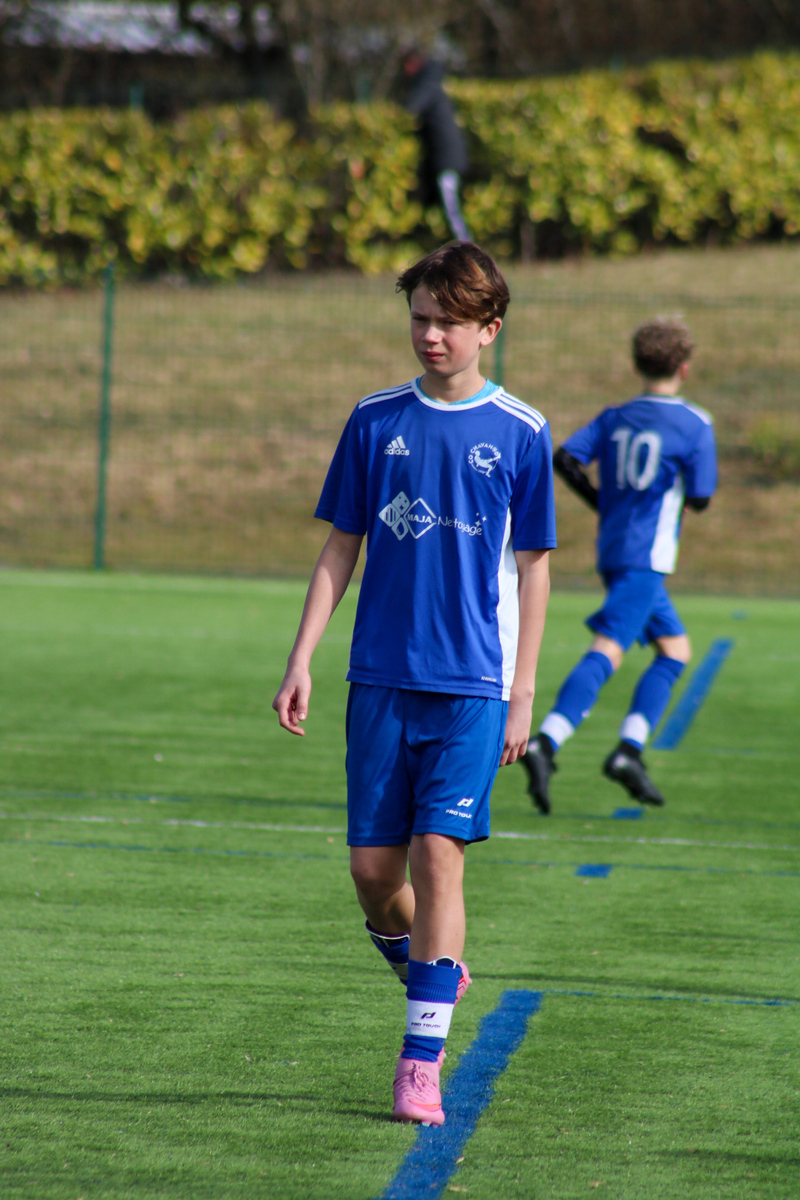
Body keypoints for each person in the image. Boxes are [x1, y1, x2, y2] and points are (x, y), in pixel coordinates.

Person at [273, 242, 555, 1126]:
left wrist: (522, 690)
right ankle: (433, 974)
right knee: (371, 873)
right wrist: (301, 656)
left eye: (448, 322)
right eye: (420, 318)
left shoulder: (522, 430)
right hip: (380, 679)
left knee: (439, 858)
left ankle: (419, 1063)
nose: (431, 335)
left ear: (489, 329)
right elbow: (341, 546)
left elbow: (535, 567)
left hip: (472, 687)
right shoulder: (374, 420)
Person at [521, 317, 717, 814]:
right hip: (648, 558)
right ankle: (547, 741)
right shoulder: (695, 423)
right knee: (608, 648)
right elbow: (701, 497)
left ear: (637, 364)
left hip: (614, 549)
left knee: (674, 651)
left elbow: (565, 458)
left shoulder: (615, 417)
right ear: (684, 367)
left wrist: (602, 502)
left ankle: (629, 751)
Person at [402, 49, 472, 243]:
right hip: (443, 160)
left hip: (446, 161)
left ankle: (469, 251)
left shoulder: (427, 86)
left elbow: (409, 110)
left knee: (452, 211)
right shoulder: (433, 84)